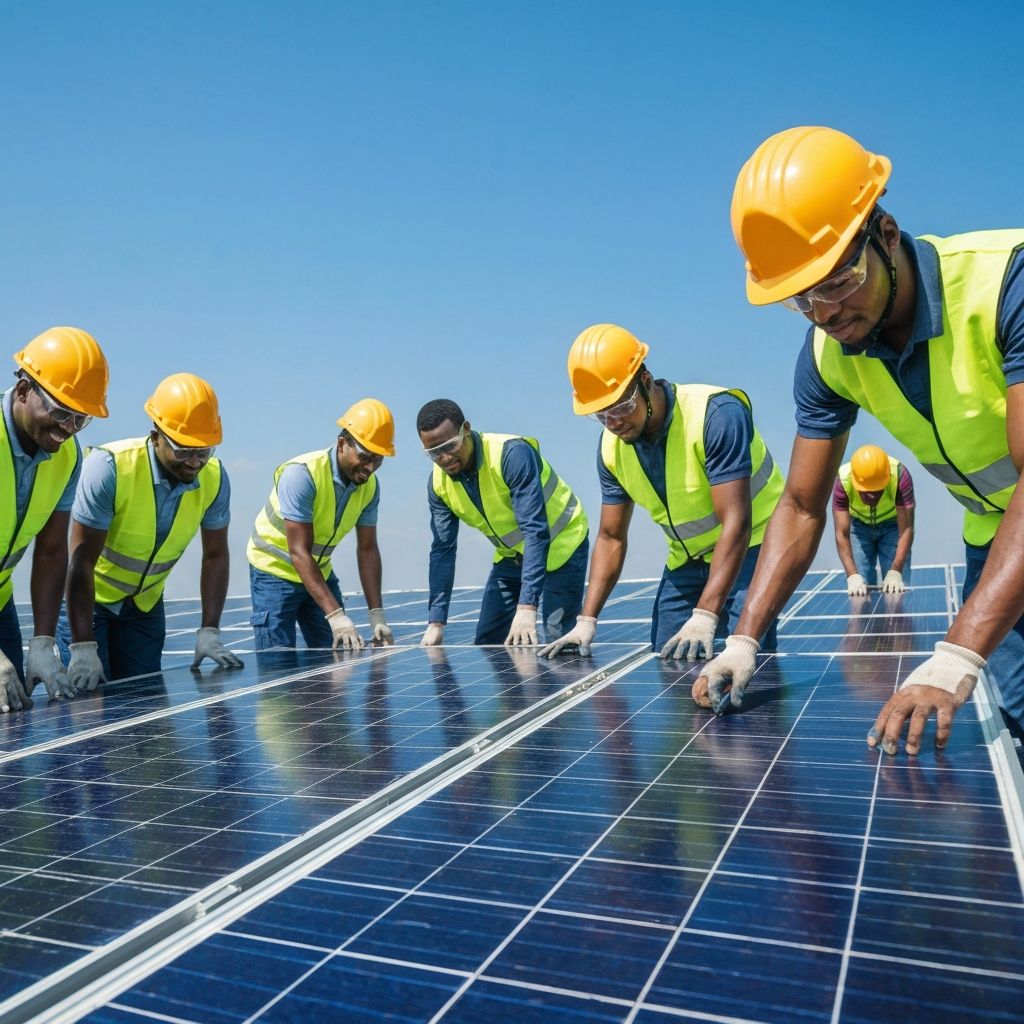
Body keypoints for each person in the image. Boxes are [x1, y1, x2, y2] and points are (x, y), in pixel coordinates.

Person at [696, 124, 1024, 758]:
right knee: (1017, 717)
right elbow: (800, 506)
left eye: (836, 281)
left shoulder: (1005, 282)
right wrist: (744, 639)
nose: (824, 313)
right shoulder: (827, 357)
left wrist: (955, 655)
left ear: (887, 234)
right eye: (800, 298)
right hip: (997, 537)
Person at [539, 323, 784, 660]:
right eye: (601, 414)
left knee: (740, 657)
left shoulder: (716, 415)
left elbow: (736, 522)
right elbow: (611, 537)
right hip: (687, 559)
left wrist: (705, 615)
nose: (614, 422)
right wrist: (586, 621)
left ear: (645, 380)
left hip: (752, 547)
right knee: (668, 659)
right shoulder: (611, 449)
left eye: (622, 407)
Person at [60, 373, 243, 688]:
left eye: (203, 451)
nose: (194, 462)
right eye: (183, 450)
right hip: (90, 602)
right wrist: (83, 646)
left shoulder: (214, 479)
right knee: (88, 703)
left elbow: (215, 555)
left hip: (144, 607)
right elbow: (81, 559)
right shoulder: (110, 468)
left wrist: (209, 631)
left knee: (143, 701)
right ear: (156, 436)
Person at [417, 398, 589, 646]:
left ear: (466, 429)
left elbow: (534, 531)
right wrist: (435, 622)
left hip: (563, 546)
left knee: (558, 641)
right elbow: (443, 550)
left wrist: (527, 607)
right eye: (433, 452)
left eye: (450, 445)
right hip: (512, 557)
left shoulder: (512, 454)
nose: (443, 458)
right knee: (488, 642)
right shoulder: (438, 484)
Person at [0, 327, 110, 712]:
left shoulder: (68, 456)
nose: (68, 428)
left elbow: (50, 552)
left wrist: (43, 643)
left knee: (13, 710)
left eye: (80, 419)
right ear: (23, 390)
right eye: (61, 412)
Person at [247, 399, 395, 651]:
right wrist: (335, 616)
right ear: (342, 444)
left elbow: (367, 549)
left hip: (318, 572)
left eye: (378, 459)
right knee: (278, 661)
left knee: (338, 653)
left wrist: (377, 615)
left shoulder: (369, 487)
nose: (370, 467)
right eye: (364, 457)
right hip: (274, 573)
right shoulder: (302, 475)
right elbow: (298, 552)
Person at [833, 444, 915, 595]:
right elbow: (841, 533)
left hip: (893, 528)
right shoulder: (843, 479)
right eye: (866, 491)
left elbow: (906, 529)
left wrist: (896, 571)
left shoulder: (899, 475)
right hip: (858, 529)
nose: (872, 496)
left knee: (896, 588)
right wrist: (852, 575)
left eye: (878, 490)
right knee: (859, 590)